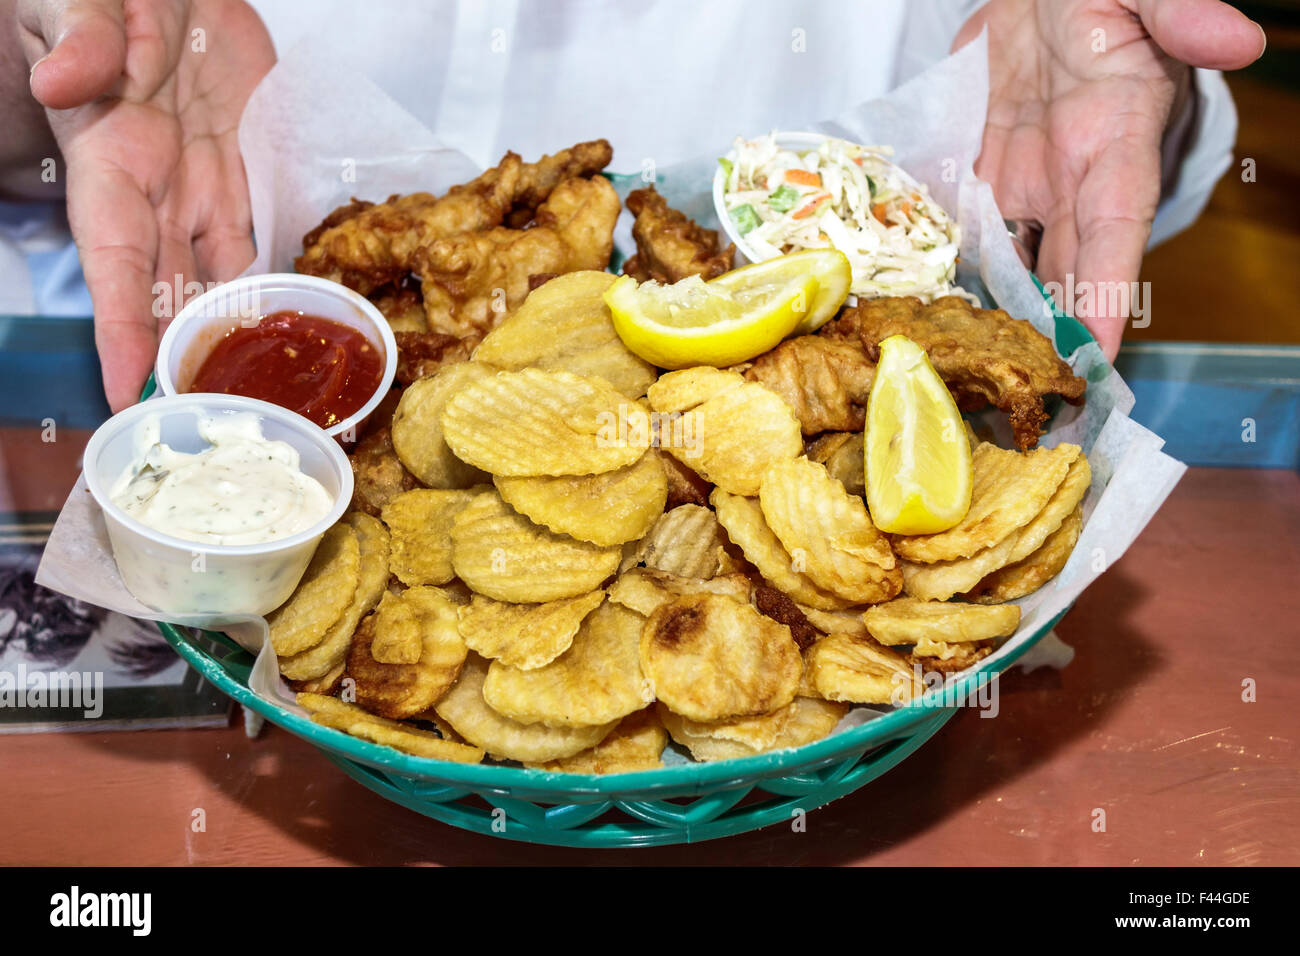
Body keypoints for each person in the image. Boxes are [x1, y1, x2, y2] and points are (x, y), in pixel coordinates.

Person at [0, 0, 1267, 412]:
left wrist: (1150, 90)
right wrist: (31, 91)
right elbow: (51, 74)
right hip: (98, 329)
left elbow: (1099, 144)